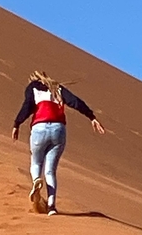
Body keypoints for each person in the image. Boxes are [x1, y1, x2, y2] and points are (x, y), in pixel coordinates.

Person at [12, 70, 104, 216]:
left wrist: (17, 123)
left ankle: (36, 180)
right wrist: (91, 117)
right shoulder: (57, 88)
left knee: (36, 163)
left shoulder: (33, 86)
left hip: (39, 128)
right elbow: (75, 102)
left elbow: (27, 106)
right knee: (50, 170)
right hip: (58, 130)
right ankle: (51, 207)